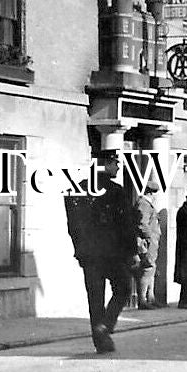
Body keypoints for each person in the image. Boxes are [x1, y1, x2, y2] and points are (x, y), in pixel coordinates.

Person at [64, 149, 138, 353]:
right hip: (113, 254)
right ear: (105, 164)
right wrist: (132, 251)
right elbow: (125, 224)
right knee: (123, 289)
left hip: (89, 255)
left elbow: (73, 226)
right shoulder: (116, 191)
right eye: (115, 162)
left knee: (95, 298)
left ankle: (101, 340)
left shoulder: (77, 190)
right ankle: (105, 325)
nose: (118, 167)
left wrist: (80, 250)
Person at [133, 178, 162, 310]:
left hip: (151, 242)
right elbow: (142, 224)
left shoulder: (145, 204)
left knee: (152, 268)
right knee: (147, 269)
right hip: (146, 242)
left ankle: (150, 298)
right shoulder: (144, 204)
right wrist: (150, 237)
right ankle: (142, 300)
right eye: (154, 193)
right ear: (151, 193)